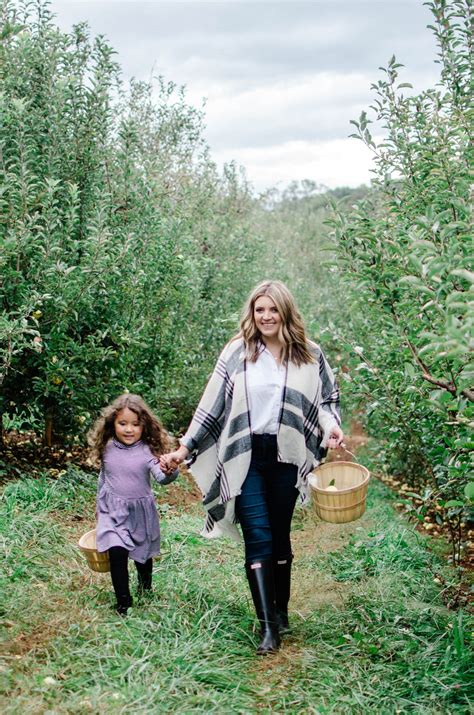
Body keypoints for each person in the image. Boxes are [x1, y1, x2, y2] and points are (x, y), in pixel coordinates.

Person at [161, 280, 343, 654]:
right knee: (257, 535)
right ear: (252, 313)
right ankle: (267, 628)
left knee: (278, 536)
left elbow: (327, 401)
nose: (266, 316)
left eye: (273, 309)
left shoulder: (309, 354)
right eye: (259, 310)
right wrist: (185, 447)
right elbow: (212, 403)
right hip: (245, 456)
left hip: (287, 457)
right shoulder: (238, 353)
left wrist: (331, 426)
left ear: (285, 312)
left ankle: (281, 609)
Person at [88, 394, 179, 616]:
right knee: (117, 553)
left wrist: (171, 470)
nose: (129, 429)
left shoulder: (147, 450)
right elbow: (104, 478)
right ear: (113, 424)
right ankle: (123, 603)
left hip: (140, 512)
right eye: (123, 424)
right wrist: (99, 506)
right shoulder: (108, 448)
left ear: (144, 426)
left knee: (143, 555)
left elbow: (161, 477)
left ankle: (145, 586)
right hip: (113, 511)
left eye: (135, 425)